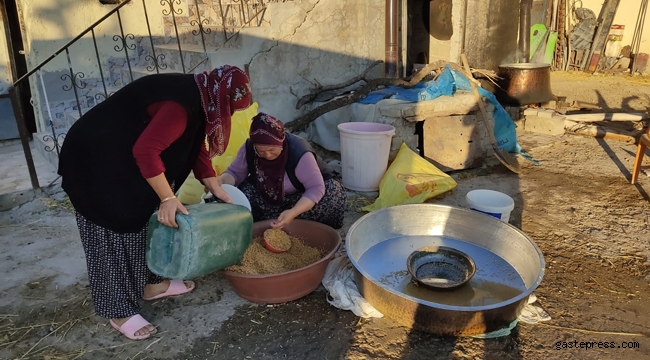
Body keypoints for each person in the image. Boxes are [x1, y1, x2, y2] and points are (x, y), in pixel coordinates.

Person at [57, 65, 252, 340]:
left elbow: (196, 142)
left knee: (147, 219)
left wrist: (213, 184)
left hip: (125, 158)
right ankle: (119, 309)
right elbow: (146, 150)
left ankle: (152, 285)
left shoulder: (203, 94)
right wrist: (168, 197)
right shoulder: (180, 106)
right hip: (95, 160)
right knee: (111, 228)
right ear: (220, 98)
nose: (228, 115)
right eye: (229, 108)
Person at [218, 113, 346, 229]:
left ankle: (292, 221)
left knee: (332, 192)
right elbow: (234, 174)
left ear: (281, 144)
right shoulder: (249, 148)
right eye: (261, 151)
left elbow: (316, 187)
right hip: (268, 198)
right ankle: (275, 221)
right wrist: (221, 181)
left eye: (272, 150)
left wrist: (294, 212)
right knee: (243, 192)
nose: (267, 155)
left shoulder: (298, 151)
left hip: (301, 198)